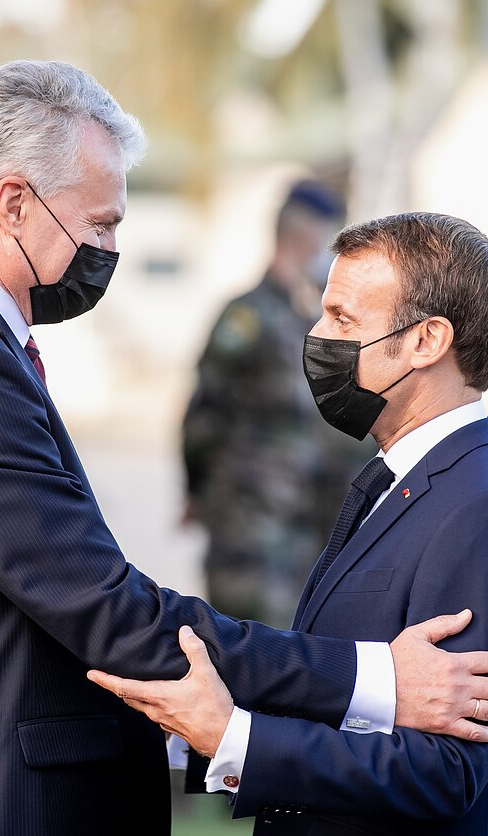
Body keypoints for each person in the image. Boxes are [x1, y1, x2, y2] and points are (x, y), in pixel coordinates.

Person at [0, 61, 488, 836]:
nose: (109, 249)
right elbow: (106, 611)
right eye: (101, 224)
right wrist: (379, 677)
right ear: (14, 203)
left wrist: (233, 732)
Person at [92, 211, 488, 835]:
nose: (318, 336)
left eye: (343, 319)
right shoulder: (395, 480)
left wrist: (238, 738)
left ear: (427, 341)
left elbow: (445, 771)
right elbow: (345, 697)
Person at [183, 179, 374, 625]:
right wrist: (198, 489)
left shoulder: (308, 321)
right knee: (246, 654)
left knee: (293, 655)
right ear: (305, 235)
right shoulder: (248, 317)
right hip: (252, 525)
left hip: (306, 527)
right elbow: (204, 415)